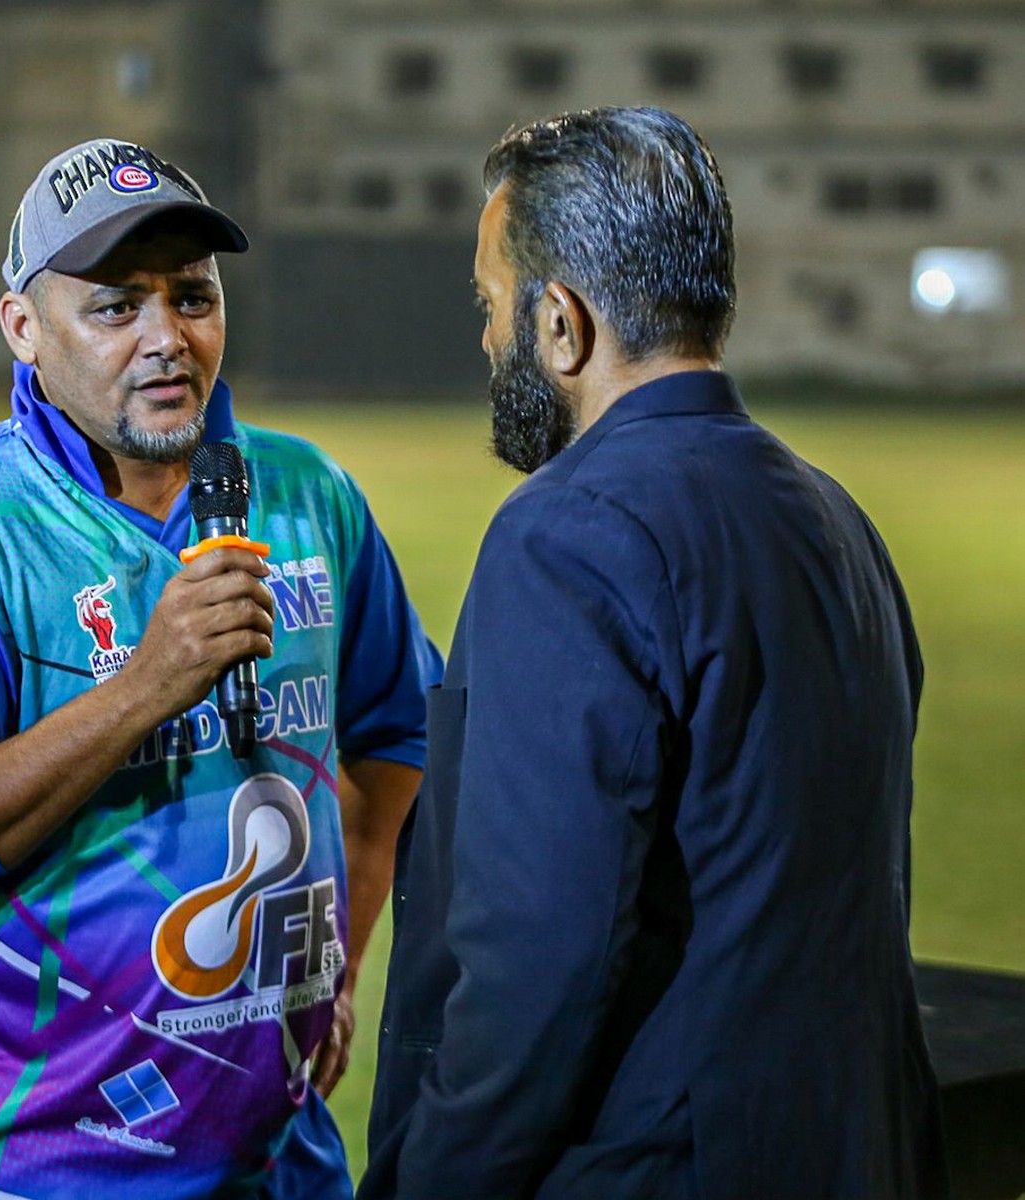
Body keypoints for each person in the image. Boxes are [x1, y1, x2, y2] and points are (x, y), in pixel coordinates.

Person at [0, 138, 439, 1200]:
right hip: (46, 1163)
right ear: (23, 327)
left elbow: (401, 731)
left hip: (283, 1160)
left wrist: (334, 956)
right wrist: (143, 689)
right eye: (115, 307)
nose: (167, 339)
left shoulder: (310, 495)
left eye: (192, 298)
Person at [360, 107, 948, 1199]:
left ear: (560, 323)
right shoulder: (837, 520)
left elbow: (534, 958)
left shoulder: (566, 533)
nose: (487, 340)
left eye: (491, 304)